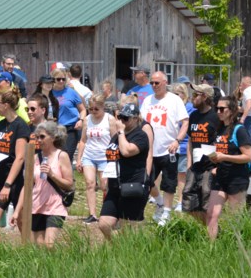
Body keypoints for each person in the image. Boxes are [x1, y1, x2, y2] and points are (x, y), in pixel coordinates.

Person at [12, 121, 73, 247]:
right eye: (37, 137)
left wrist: (52, 175)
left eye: (42, 137)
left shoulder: (61, 156)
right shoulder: (34, 158)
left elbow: (69, 184)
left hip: (55, 205)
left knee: (49, 244)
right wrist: (17, 211)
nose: (39, 140)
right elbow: (27, 186)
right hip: (37, 204)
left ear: (53, 137)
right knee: (38, 246)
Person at [139, 71, 189, 226]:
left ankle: (167, 211)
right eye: (152, 83)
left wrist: (177, 140)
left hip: (169, 148)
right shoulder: (148, 100)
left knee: (169, 182)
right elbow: (141, 121)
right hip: (150, 149)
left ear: (165, 82)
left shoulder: (174, 100)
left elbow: (185, 122)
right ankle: (160, 204)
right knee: (146, 180)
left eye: (157, 83)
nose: (154, 86)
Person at [98, 103, 151, 241]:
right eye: (120, 117)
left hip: (133, 185)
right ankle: (116, 246)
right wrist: (105, 176)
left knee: (127, 228)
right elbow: (111, 155)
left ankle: (128, 253)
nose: (121, 121)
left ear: (135, 119)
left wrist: (121, 132)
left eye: (126, 118)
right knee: (104, 223)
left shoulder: (140, 136)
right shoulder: (116, 136)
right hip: (115, 185)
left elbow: (126, 151)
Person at [0, 90, 30, 242]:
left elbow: (20, 157)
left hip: (16, 182)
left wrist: (8, 185)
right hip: (1, 178)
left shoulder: (21, 126)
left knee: (23, 223)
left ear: (7, 105)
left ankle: (28, 255)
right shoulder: (0, 124)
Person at [205, 96, 251, 240]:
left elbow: (248, 156)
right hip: (220, 177)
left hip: (237, 178)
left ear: (232, 111)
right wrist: (215, 162)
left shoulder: (239, 130)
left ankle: (238, 246)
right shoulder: (219, 129)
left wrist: (225, 157)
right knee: (211, 213)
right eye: (216, 109)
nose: (218, 112)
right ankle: (211, 247)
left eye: (222, 109)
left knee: (235, 218)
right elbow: (220, 151)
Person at [75, 93, 118, 224]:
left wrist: (114, 158)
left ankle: (107, 213)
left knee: (105, 185)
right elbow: (83, 140)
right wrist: (79, 159)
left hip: (105, 156)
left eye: (96, 109)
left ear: (103, 107)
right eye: (91, 109)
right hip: (89, 155)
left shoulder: (109, 119)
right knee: (90, 183)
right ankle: (92, 214)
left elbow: (115, 139)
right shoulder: (87, 119)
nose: (93, 112)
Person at [182, 83, 219, 223]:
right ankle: (208, 227)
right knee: (188, 203)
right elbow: (191, 141)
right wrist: (189, 164)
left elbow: (220, 142)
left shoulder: (215, 117)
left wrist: (217, 164)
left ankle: (212, 231)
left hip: (210, 167)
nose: (192, 98)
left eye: (195, 95)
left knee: (206, 203)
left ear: (205, 97)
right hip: (195, 167)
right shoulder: (194, 116)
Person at [50, 67, 86, 161]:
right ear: (53, 80)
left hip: (70, 128)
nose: (61, 81)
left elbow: (83, 110)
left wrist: (81, 120)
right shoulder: (49, 93)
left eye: (63, 79)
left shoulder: (71, 92)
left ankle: (67, 175)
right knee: (54, 156)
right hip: (54, 129)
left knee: (66, 155)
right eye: (58, 79)